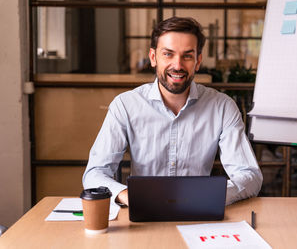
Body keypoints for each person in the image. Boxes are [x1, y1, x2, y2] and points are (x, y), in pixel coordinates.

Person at [82, 16, 263, 206]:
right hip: (143, 214)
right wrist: (129, 196)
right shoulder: (125, 105)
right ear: (153, 58)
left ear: (198, 61)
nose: (177, 65)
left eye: (187, 56)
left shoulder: (222, 107)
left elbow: (249, 176)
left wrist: (210, 195)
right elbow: (94, 174)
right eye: (168, 54)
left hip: (199, 212)